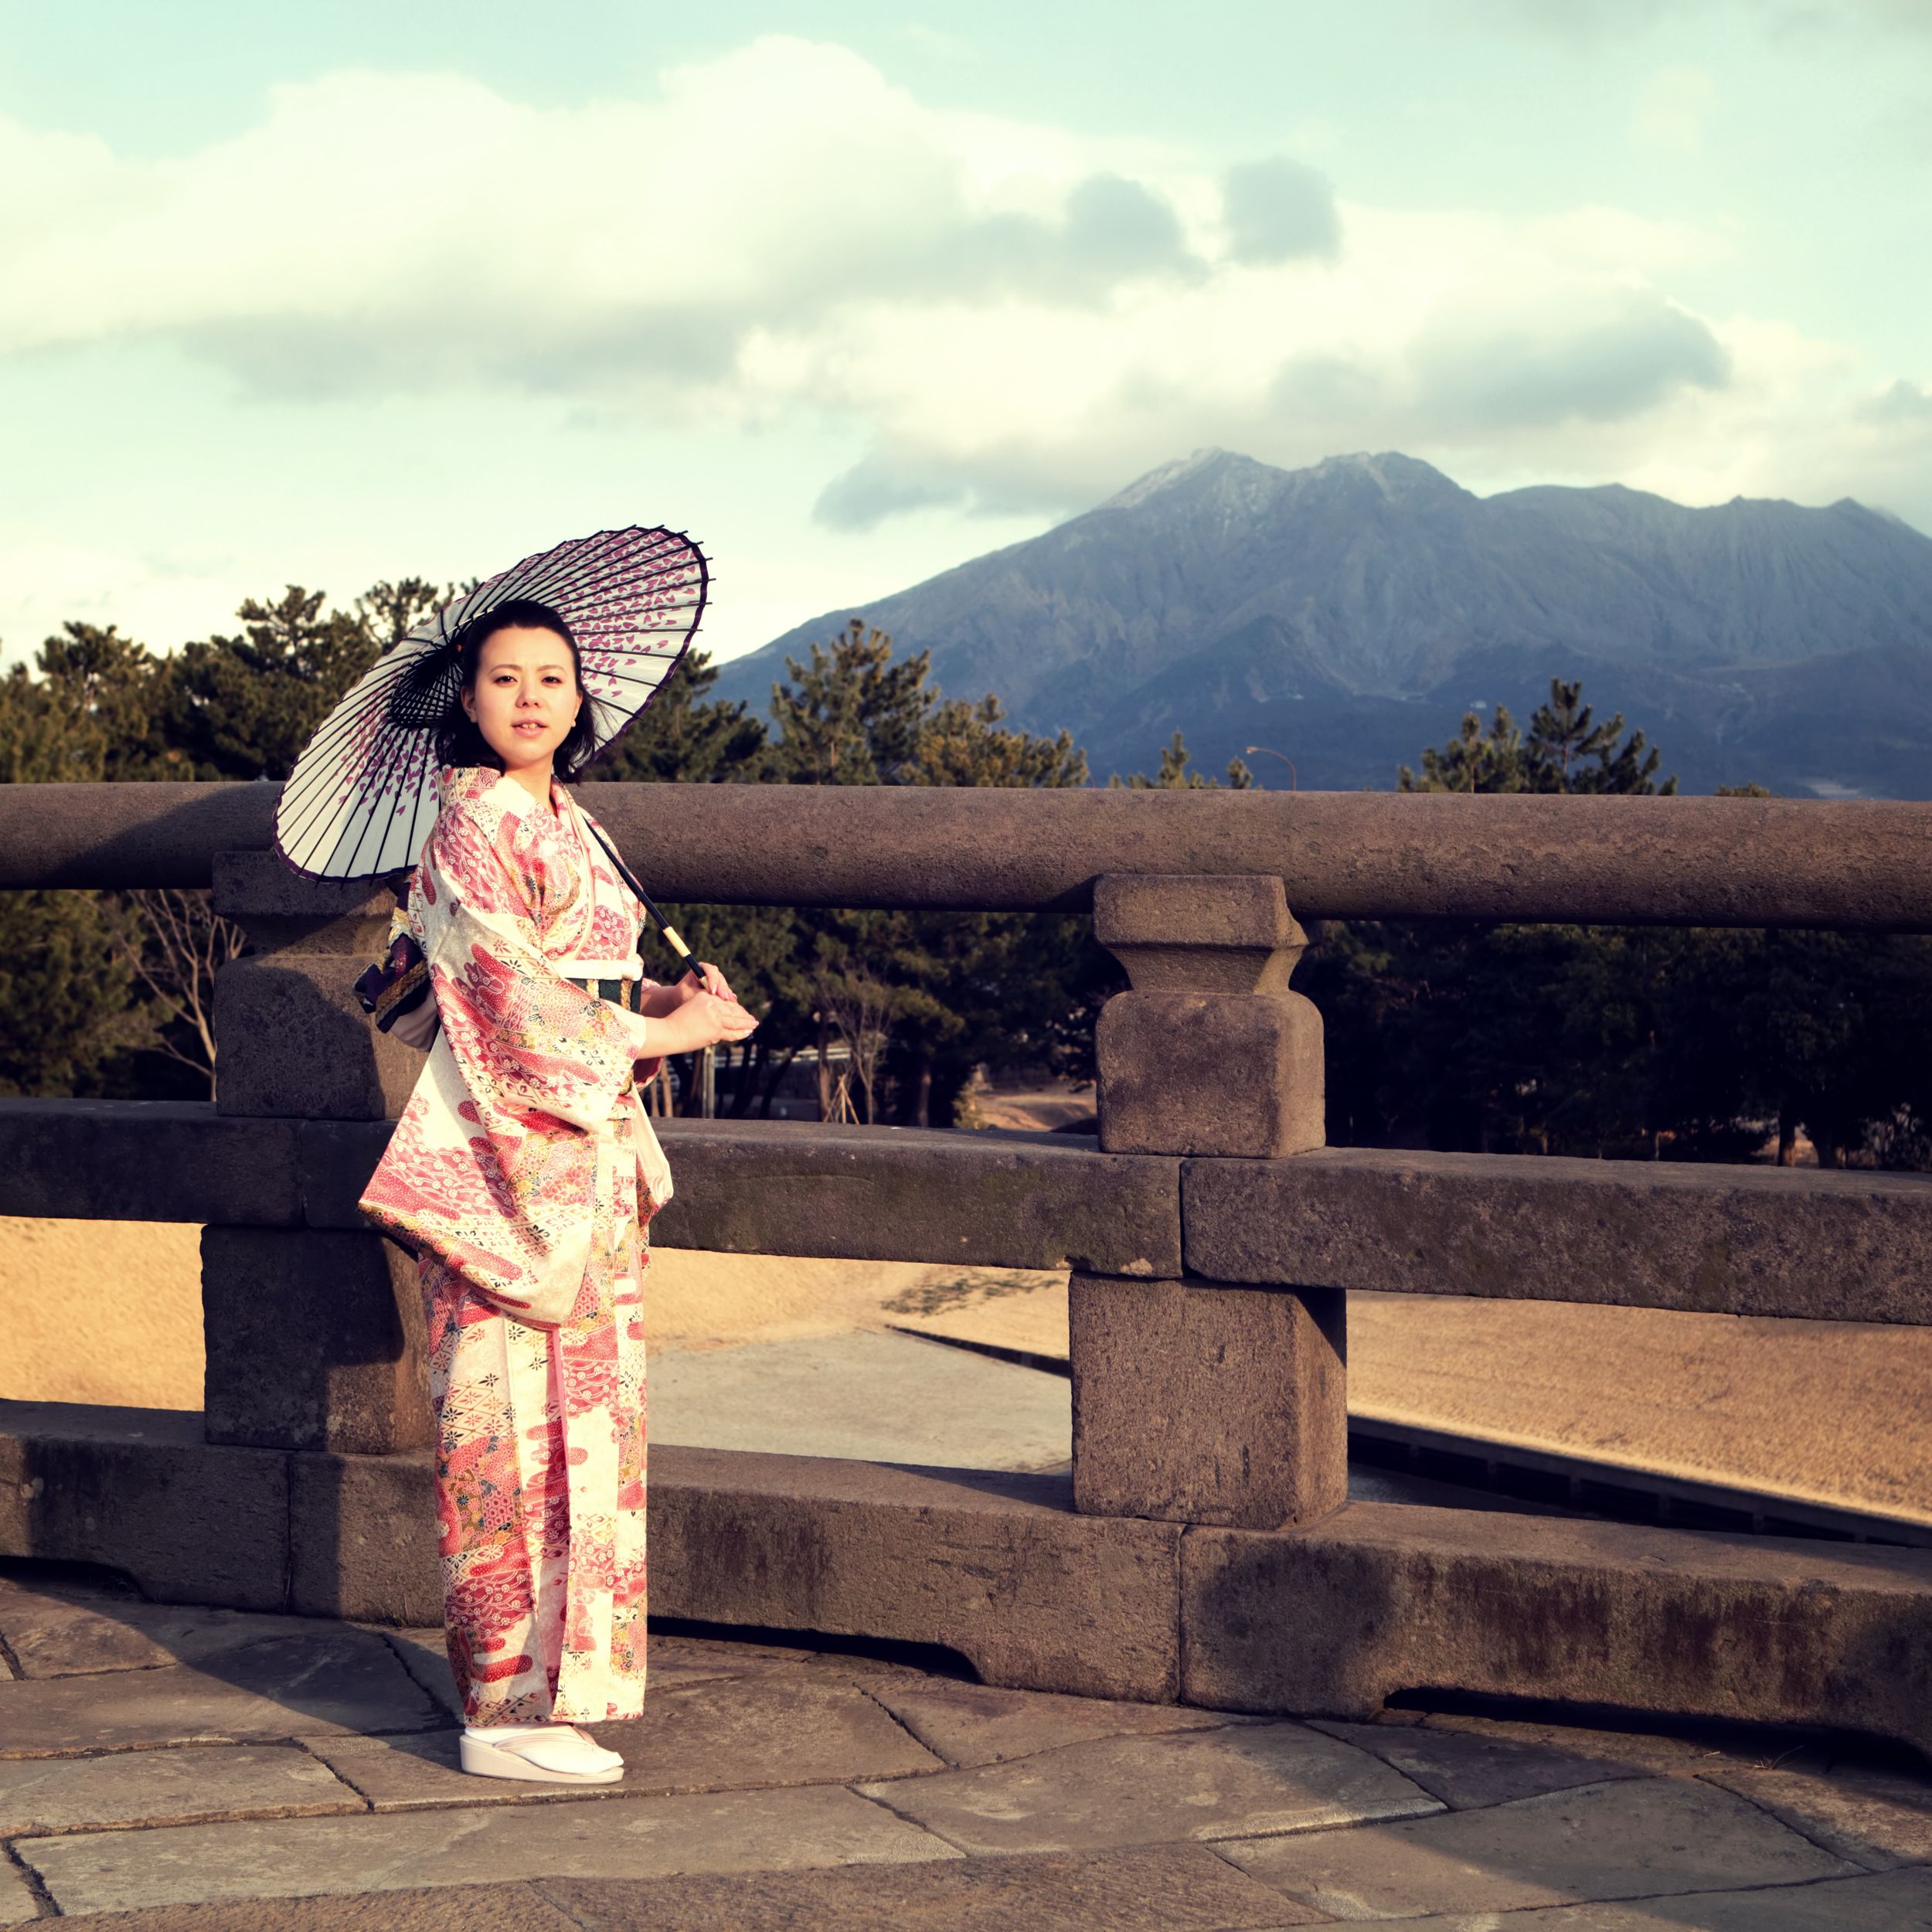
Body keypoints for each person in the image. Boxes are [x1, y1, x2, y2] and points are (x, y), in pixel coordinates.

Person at [358, 597, 757, 1784]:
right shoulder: (469, 824)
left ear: (582, 699)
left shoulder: (574, 823)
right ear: (466, 701)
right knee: (498, 1430)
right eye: (502, 678)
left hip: (589, 1163)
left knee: (591, 1426)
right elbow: (505, 1000)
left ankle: (560, 1691)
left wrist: (670, 1000)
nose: (530, 696)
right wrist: (659, 1035)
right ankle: (496, 1705)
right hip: (504, 1163)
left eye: (552, 678)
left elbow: (586, 981)